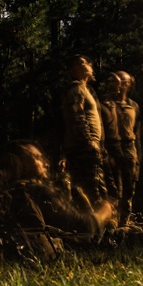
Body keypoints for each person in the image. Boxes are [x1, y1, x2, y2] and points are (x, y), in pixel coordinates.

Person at [59, 54, 105, 205]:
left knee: (94, 188)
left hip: (90, 148)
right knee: (89, 191)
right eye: (84, 63)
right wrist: (89, 142)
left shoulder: (87, 90)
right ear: (76, 69)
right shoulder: (76, 89)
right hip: (83, 149)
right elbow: (76, 116)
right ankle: (90, 225)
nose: (89, 66)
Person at [107, 70, 140, 224]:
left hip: (129, 149)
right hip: (112, 149)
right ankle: (111, 223)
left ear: (129, 84)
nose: (120, 83)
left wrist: (139, 156)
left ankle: (124, 223)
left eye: (124, 81)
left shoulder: (134, 106)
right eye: (117, 79)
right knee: (113, 187)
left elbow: (136, 132)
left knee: (129, 189)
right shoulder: (106, 103)